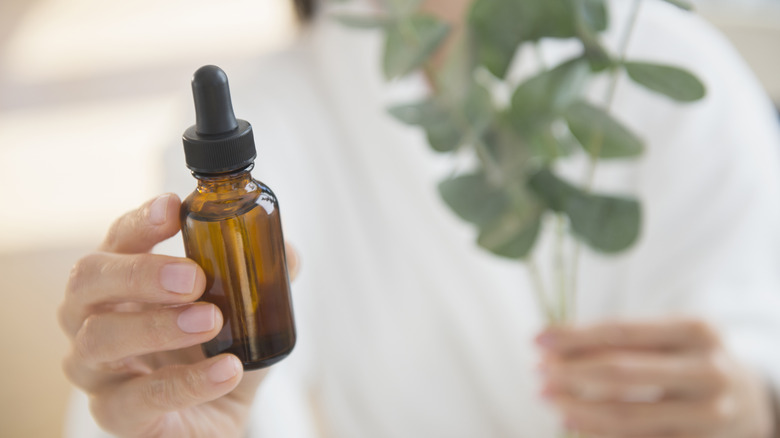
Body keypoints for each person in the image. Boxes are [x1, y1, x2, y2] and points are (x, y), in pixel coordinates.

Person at [60, 0, 780, 436]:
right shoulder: (275, 124)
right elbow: (212, 401)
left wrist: (756, 407)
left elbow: (756, 342)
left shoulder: (674, 66)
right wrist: (183, 422)